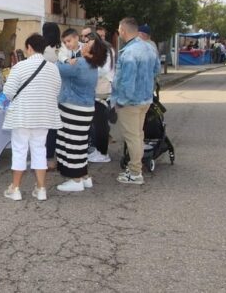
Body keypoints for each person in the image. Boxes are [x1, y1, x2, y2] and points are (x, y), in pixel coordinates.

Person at [3, 33, 62, 202]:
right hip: (43, 116)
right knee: (39, 150)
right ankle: (41, 189)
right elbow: (57, 91)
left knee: (20, 150)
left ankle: (15, 188)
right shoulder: (53, 68)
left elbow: (8, 92)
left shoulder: (19, 67)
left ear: (29, 47)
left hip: (22, 115)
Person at [55, 36, 108, 192]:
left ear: (92, 51)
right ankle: (84, 177)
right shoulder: (92, 66)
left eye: (88, 44)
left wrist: (63, 57)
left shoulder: (79, 64)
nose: (84, 45)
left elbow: (58, 68)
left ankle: (76, 180)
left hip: (73, 108)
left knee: (71, 144)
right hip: (85, 108)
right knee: (80, 143)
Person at [113, 17, 161, 185]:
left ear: (124, 31)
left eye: (119, 29)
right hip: (145, 99)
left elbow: (127, 82)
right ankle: (135, 167)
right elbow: (157, 70)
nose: (118, 32)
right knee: (138, 135)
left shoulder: (129, 53)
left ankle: (135, 172)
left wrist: (120, 101)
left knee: (133, 137)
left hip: (130, 102)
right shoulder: (149, 48)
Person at [87, 31, 116, 163]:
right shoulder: (107, 48)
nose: (88, 45)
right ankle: (100, 151)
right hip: (102, 90)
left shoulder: (106, 50)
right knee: (99, 123)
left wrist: (89, 67)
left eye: (89, 42)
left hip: (103, 91)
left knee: (100, 124)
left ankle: (102, 153)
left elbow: (103, 70)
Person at [42, 22, 62, 170]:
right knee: (55, 126)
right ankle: (53, 156)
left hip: (46, 93)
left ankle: (47, 157)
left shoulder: (44, 51)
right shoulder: (61, 49)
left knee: (46, 128)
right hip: (60, 93)